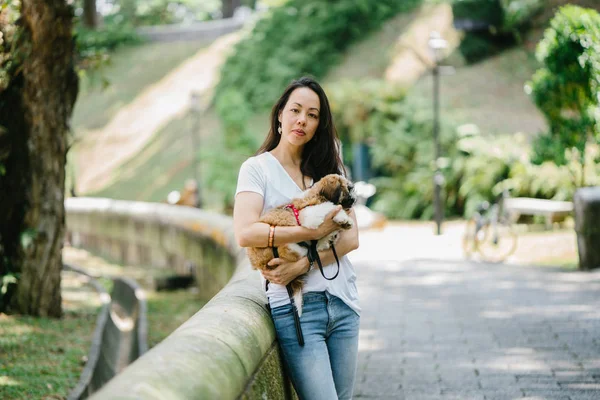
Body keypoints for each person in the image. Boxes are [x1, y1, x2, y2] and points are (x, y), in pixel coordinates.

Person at [233, 76, 360, 400]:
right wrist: (309, 232)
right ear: (280, 115)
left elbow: (351, 239)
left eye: (313, 114)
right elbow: (246, 233)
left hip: (343, 301)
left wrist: (303, 264)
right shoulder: (256, 169)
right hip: (298, 310)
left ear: (320, 124)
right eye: (296, 110)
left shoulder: (328, 169)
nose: (302, 119)